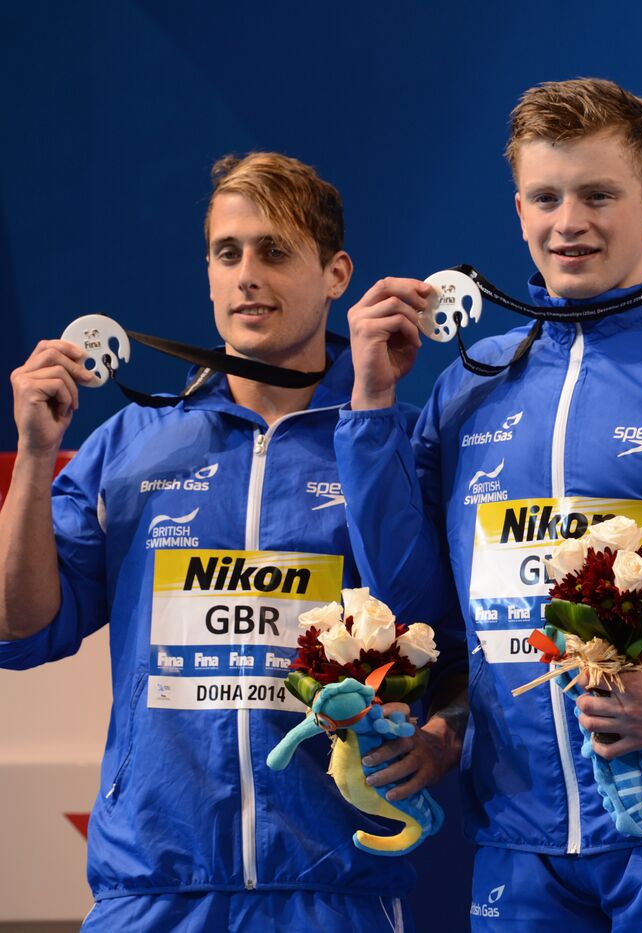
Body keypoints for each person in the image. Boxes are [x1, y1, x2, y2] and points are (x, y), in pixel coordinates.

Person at [334, 77, 642, 930]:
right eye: (546, 197)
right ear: (519, 209)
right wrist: (373, 405)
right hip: (515, 839)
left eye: (598, 194)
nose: (569, 223)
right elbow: (419, 607)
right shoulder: (468, 386)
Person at [0, 152, 425, 931]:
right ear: (206, 272)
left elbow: (441, 629)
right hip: (153, 885)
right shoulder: (132, 441)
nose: (246, 275)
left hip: (337, 884)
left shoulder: (388, 441)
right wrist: (33, 454)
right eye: (227, 254)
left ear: (336, 274)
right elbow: (17, 629)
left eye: (275, 251)